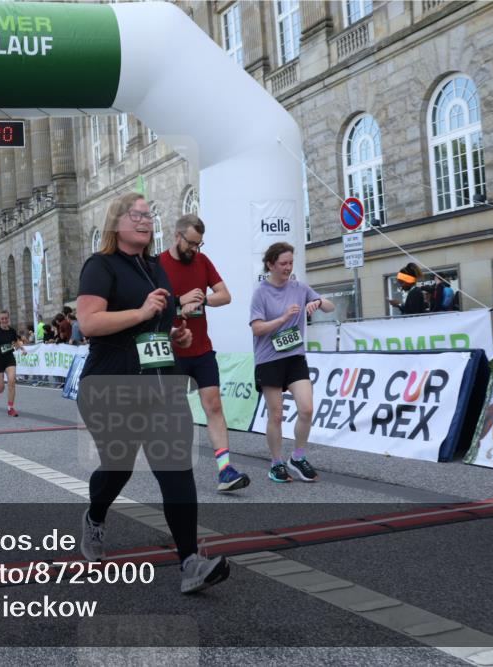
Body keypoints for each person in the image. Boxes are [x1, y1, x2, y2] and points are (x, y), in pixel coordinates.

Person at [76, 192, 229, 594]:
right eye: (136, 214)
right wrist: (143, 314)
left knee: (177, 470)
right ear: (117, 221)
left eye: (149, 215)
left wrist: (172, 331)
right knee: (118, 468)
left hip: (161, 382)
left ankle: (190, 562)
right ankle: (94, 517)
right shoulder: (100, 266)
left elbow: (161, 326)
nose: (145, 220)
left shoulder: (154, 269)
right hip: (110, 384)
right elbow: (89, 323)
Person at [159, 213, 249, 493]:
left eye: (199, 244)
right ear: (177, 236)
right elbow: (148, 307)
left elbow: (226, 295)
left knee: (214, 406)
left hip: (202, 349)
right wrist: (177, 304)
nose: (195, 250)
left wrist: (202, 299)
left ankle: (225, 471)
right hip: (171, 350)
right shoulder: (158, 265)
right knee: (176, 414)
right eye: (191, 243)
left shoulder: (202, 261)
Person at [250, 242, 335, 483]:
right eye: (283, 264)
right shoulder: (261, 292)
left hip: (295, 357)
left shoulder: (299, 287)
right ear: (270, 264)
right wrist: (284, 318)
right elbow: (257, 329)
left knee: (307, 408)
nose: (288, 268)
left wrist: (318, 303)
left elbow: (330, 307)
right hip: (269, 359)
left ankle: (297, 457)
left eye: (290, 263)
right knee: (276, 415)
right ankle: (276, 463)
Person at [0, 309, 24, 416]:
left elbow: (15, 342)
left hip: (9, 358)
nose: (4, 320)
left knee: (12, 381)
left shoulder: (11, 330)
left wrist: (22, 349)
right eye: (2, 319)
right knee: (0, 389)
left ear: (8, 318)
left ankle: (10, 408)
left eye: (6, 318)